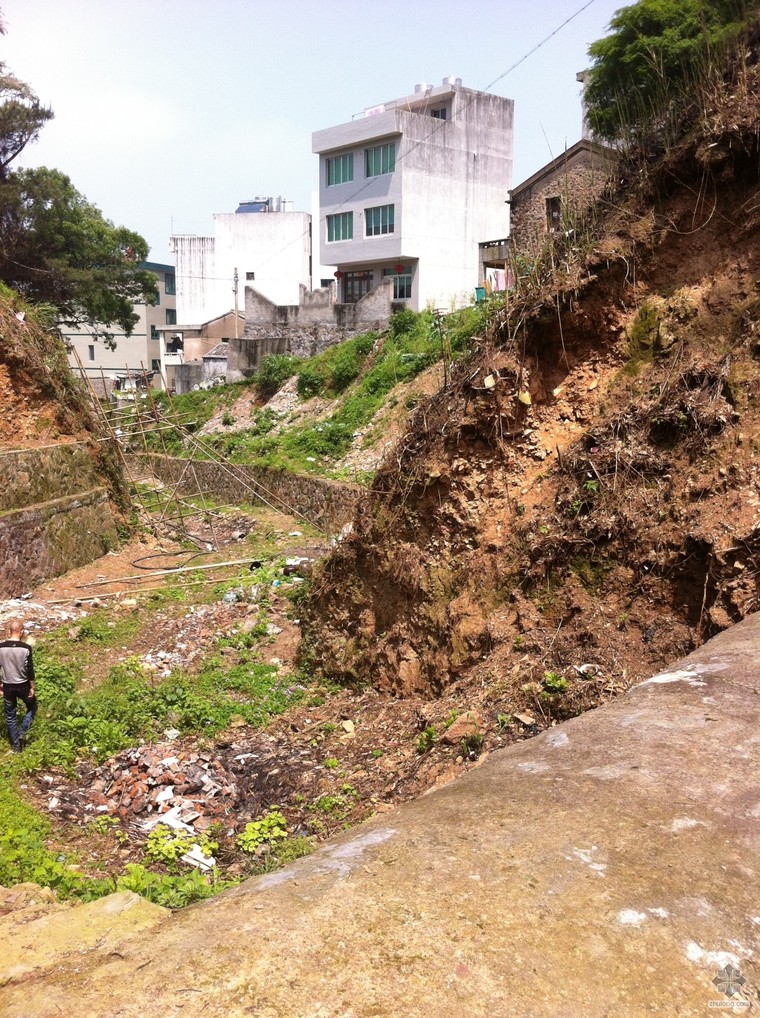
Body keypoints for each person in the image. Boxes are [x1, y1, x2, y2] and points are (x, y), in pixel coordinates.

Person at [0, 619, 37, 753]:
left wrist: (0, 685)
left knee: (10, 716)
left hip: (8, 685)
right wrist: (32, 687)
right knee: (32, 706)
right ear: (21, 632)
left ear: (9, 631)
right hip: (23, 685)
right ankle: (23, 731)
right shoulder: (26, 648)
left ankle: (15, 746)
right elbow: (30, 669)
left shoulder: (1, 647)